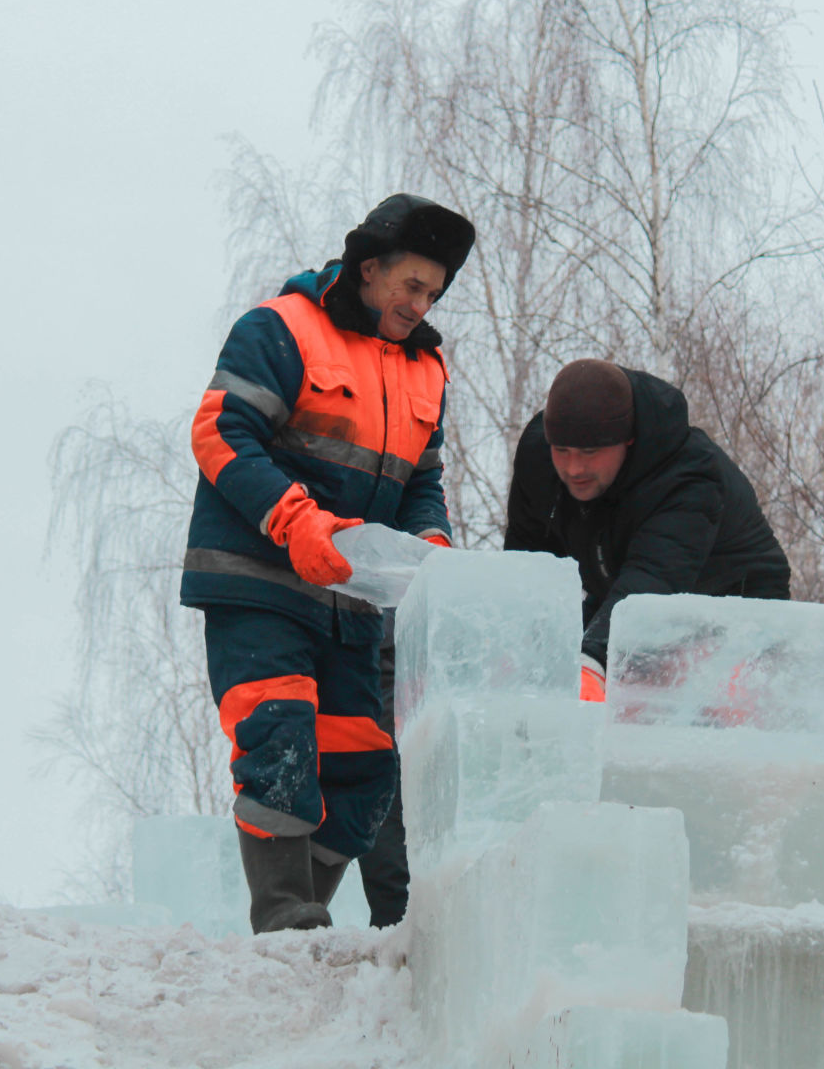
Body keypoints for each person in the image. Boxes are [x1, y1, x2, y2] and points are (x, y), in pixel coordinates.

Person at [183, 193, 473, 933]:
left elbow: (423, 484)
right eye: (411, 285)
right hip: (260, 579)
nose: (421, 303)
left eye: (434, 292)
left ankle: (304, 910)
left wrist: (430, 545)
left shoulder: (427, 369)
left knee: (364, 770)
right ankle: (285, 921)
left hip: (352, 597)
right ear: (367, 268)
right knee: (279, 734)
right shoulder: (281, 330)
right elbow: (221, 432)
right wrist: (294, 519)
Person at [505, 359, 790, 699]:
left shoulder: (690, 475)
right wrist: (517, 645)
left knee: (702, 699)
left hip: (735, 603)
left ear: (628, 440)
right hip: (620, 589)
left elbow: (654, 578)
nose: (573, 467)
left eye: (590, 452)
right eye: (562, 450)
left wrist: (592, 660)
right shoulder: (539, 457)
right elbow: (528, 562)